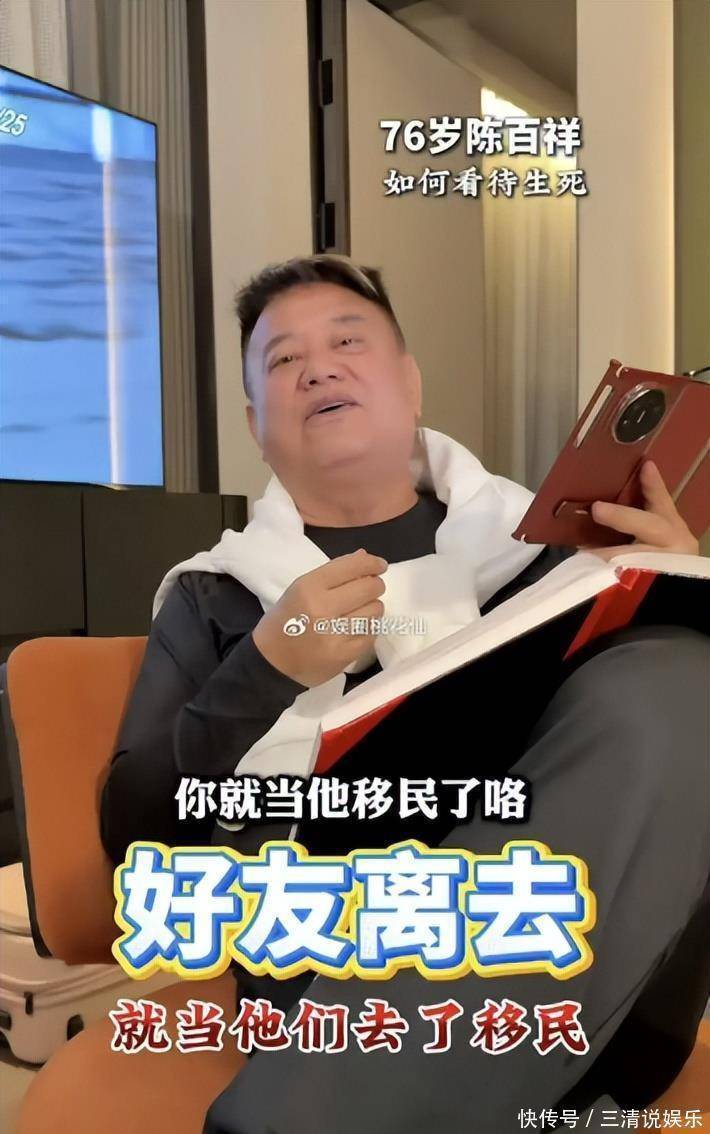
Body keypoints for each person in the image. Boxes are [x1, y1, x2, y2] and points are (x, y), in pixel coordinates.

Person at [99, 255, 708, 1132]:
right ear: (256, 424)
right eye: (284, 359)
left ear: (411, 383)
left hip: (584, 961)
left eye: (348, 342)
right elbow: (134, 834)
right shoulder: (214, 595)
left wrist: (666, 583)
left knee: (678, 673)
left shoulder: (553, 555)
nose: (319, 368)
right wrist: (264, 670)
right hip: (333, 974)